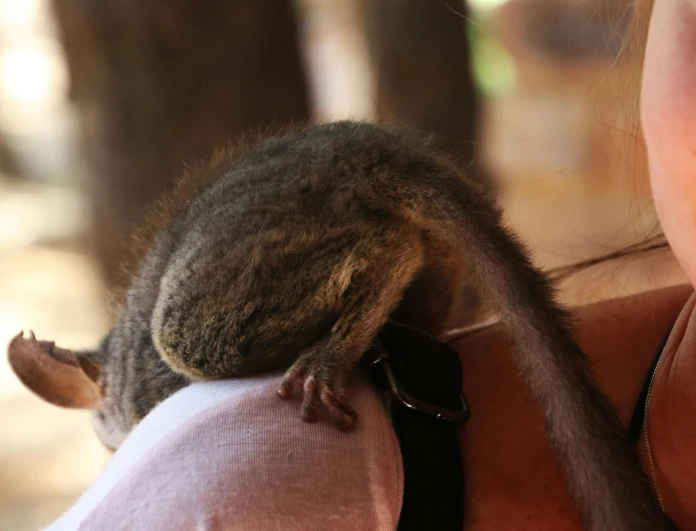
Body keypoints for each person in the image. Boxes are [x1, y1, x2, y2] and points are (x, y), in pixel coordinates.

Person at [44, 0, 696, 529]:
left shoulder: (176, 401)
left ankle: (382, 258)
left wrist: (337, 341)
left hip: (356, 213)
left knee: (190, 339)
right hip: (360, 213)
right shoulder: (207, 487)